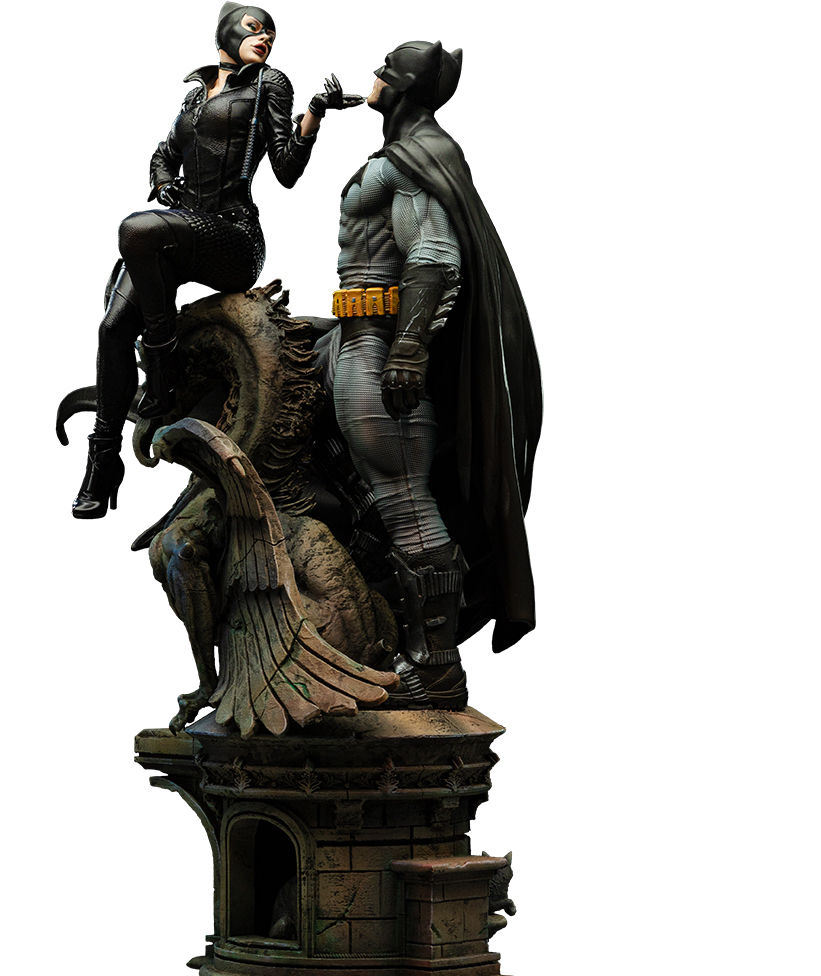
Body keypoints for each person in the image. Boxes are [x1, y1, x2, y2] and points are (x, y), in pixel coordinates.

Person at [70, 3, 361, 518]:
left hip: (233, 235)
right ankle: (103, 459)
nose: (266, 37)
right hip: (178, 230)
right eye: (255, 28)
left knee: (134, 230)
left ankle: (161, 368)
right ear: (224, 32)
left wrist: (315, 113)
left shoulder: (270, 83)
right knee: (113, 328)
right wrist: (165, 181)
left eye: (272, 33)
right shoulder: (194, 94)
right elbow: (164, 152)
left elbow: (287, 169)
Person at [328, 41, 543, 708]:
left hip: (379, 344)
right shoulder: (401, 155)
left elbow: (434, 256)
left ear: (399, 87)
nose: (373, 76)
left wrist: (408, 351)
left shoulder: (415, 161)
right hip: (351, 333)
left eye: (383, 70)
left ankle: (438, 667)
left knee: (405, 499)